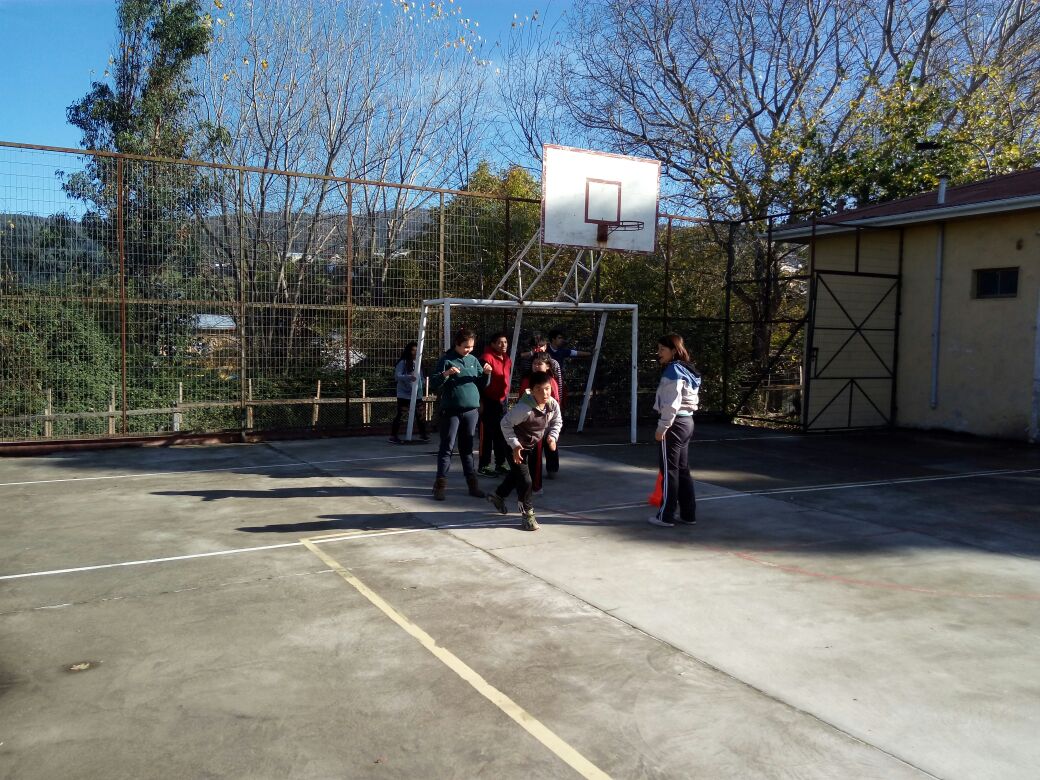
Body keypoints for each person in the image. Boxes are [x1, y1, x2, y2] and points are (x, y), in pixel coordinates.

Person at [486, 370, 562, 531]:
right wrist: (514, 445)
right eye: (539, 390)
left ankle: (498, 495)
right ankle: (527, 514)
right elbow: (505, 423)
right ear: (532, 391)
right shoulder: (524, 409)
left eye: (547, 388)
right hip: (512, 445)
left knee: (517, 475)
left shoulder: (552, 404)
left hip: (530, 445)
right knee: (526, 481)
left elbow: (557, 421)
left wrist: (552, 437)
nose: (545, 393)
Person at [430, 327, 492, 501]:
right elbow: (434, 383)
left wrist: (487, 374)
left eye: (471, 346)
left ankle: (473, 485)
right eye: (465, 346)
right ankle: (440, 485)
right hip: (451, 411)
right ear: (457, 344)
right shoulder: (446, 360)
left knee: (467, 449)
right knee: (447, 447)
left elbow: (482, 384)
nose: (469, 350)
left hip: (471, 411)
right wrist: (446, 374)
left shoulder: (473, 360)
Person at [648, 333, 701, 528]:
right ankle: (688, 514)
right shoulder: (688, 369)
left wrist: (662, 427)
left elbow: (672, 403)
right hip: (687, 422)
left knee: (669, 470)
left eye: (662, 349)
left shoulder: (673, 370)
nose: (658, 353)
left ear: (673, 350)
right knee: (682, 470)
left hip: (674, 424)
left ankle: (665, 515)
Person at [518, 353, 560, 492]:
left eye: (539, 364)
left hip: (542, 424)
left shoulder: (550, 381)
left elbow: (555, 403)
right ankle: (523, 481)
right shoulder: (526, 380)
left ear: (547, 366)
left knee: (538, 454)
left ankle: (536, 486)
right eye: (534, 363)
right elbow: (521, 400)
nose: (536, 366)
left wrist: (547, 422)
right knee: (524, 455)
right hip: (526, 424)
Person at [477, 332, 512, 477]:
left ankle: (500, 463)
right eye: (499, 342)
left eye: (505, 342)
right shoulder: (486, 358)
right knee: (487, 434)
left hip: (502, 401)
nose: (503, 345)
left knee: (501, 432)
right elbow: (479, 382)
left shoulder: (507, 359)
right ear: (492, 344)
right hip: (488, 401)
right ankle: (484, 465)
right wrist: (480, 401)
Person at [390, 341, 429, 443]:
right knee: (402, 414)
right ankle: (393, 436)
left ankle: (423, 434)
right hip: (405, 394)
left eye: (417, 350)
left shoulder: (419, 363)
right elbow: (397, 376)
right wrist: (408, 377)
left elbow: (421, 376)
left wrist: (423, 382)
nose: (415, 353)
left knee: (420, 415)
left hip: (417, 393)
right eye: (413, 350)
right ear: (409, 351)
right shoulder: (403, 362)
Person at [547, 327, 591, 405]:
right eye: (559, 338)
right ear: (553, 339)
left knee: (559, 399)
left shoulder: (562, 351)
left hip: (557, 379)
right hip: (545, 379)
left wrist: (590, 353)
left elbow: (575, 353)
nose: (562, 340)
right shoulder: (545, 349)